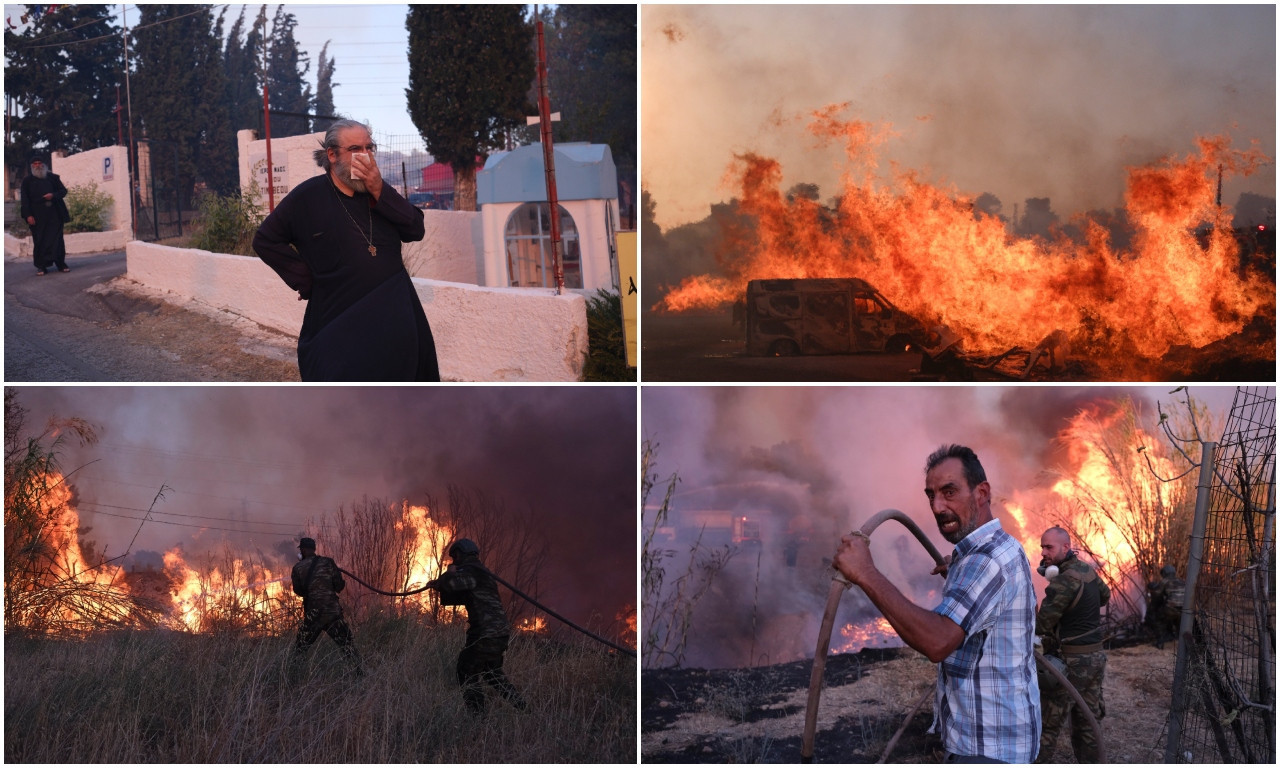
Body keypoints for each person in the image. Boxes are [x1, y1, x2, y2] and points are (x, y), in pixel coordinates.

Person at [834, 444, 1040, 763]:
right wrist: (959, 574)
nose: (937, 505)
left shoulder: (985, 562)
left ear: (981, 492)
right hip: (998, 738)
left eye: (949, 491)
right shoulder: (1002, 547)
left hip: (988, 749)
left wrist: (865, 573)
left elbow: (937, 642)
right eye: (931, 495)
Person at [252, 119, 440, 381]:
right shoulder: (308, 197)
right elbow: (265, 240)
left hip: (394, 325)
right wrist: (306, 280)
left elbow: (415, 230)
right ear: (332, 155)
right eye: (355, 149)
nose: (365, 156)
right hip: (339, 326)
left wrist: (378, 189)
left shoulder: (379, 194)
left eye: (369, 148)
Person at [425, 538, 527, 714]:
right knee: (492, 674)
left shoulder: (471, 572)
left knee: (466, 672)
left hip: (484, 635)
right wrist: (439, 587)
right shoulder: (483, 575)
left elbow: (452, 583)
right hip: (500, 633)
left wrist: (448, 574)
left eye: (454, 557)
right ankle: (524, 709)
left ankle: (478, 718)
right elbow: (459, 596)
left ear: (459, 554)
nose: (453, 561)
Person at [1034, 526, 1109, 763]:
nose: (1044, 552)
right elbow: (1104, 596)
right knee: (1087, 722)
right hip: (1095, 658)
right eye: (1042, 547)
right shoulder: (1086, 570)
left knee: (1048, 725)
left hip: (1069, 663)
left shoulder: (1063, 581)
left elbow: (1042, 624)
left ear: (1066, 547)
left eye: (1049, 547)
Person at [291, 537, 362, 675]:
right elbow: (339, 586)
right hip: (332, 614)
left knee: (300, 648)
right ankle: (359, 674)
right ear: (314, 549)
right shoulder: (328, 562)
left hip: (313, 615)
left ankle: (293, 677)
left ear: (304, 550)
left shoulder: (297, 568)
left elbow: (298, 591)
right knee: (347, 645)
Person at [20, 156, 71, 276]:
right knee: (39, 241)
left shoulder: (53, 178)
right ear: (32, 166)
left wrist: (53, 195)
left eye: (40, 163)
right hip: (37, 216)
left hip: (55, 215)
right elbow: (25, 200)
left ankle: (61, 264)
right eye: (35, 164)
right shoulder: (27, 181)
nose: (38, 166)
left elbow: (63, 191)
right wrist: (28, 215)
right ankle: (41, 266)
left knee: (57, 240)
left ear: (44, 165)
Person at [1146, 564, 1184, 650]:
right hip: (1185, 610)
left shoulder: (1165, 581)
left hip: (1171, 609)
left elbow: (1157, 596)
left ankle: (1160, 643)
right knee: (1179, 624)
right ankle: (1179, 642)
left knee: (1158, 620)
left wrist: (1152, 610)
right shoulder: (1181, 581)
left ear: (1164, 573)